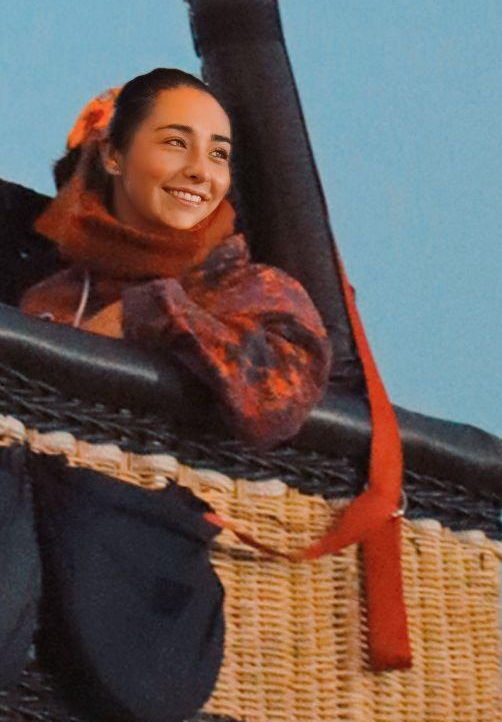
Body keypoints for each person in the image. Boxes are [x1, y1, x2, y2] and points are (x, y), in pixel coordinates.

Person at [18, 67, 327, 444]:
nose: (198, 171)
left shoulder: (254, 289)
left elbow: (277, 400)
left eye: (216, 155)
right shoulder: (49, 298)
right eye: (174, 145)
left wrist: (150, 312)